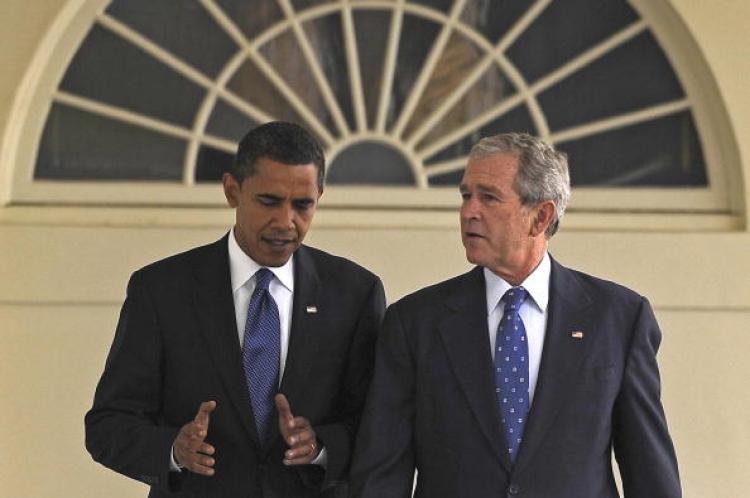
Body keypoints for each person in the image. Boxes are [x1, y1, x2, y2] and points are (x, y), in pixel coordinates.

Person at [350, 133, 681, 498]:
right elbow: (381, 474)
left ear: (541, 216)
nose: (468, 212)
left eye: (488, 197)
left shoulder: (619, 319)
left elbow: (649, 471)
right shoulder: (414, 323)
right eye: (465, 196)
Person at [85, 121, 386, 498]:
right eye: (269, 201)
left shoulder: (355, 293)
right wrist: (173, 451)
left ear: (319, 196)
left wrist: (323, 446)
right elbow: (108, 424)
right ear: (232, 190)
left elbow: (379, 425)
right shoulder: (161, 290)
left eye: (303, 205)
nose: (286, 221)